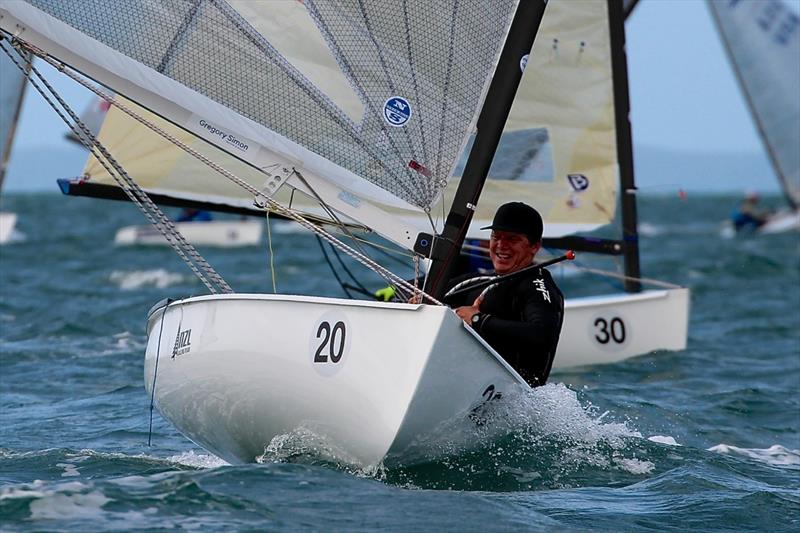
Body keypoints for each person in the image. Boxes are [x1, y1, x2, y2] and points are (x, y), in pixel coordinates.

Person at [442, 202, 564, 387]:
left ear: (534, 246)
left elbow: (542, 334)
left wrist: (478, 320)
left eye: (512, 239)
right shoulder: (478, 281)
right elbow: (421, 293)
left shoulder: (537, 286)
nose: (501, 245)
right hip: (469, 385)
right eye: (496, 237)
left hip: (515, 400)